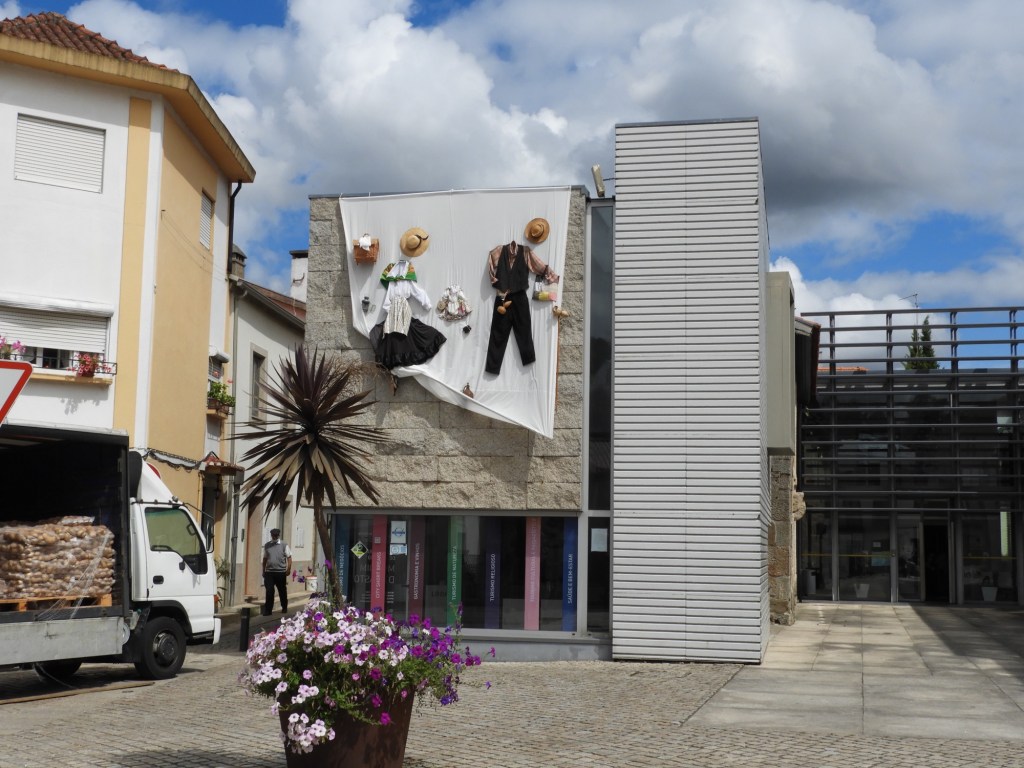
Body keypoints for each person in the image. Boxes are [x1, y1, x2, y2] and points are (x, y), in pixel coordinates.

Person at [262, 528, 292, 616]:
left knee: (282, 590)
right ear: (271, 535)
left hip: (280, 572)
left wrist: (288, 569)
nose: (274, 537)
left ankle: (284, 606)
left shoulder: (284, 545)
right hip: (269, 572)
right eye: (273, 535)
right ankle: (268, 610)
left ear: (278, 535)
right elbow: (265, 558)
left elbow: (289, 558)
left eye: (276, 535)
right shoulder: (267, 545)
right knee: (269, 591)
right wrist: (263, 570)